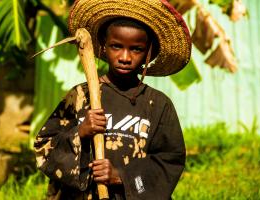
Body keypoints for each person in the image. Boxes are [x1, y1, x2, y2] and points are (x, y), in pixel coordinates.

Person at [34, 0, 191, 199]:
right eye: (116, 46)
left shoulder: (158, 104)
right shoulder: (81, 96)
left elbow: (170, 160)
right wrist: (80, 133)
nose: (125, 57)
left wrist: (120, 176)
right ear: (103, 47)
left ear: (148, 53)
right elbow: (44, 148)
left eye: (136, 49)